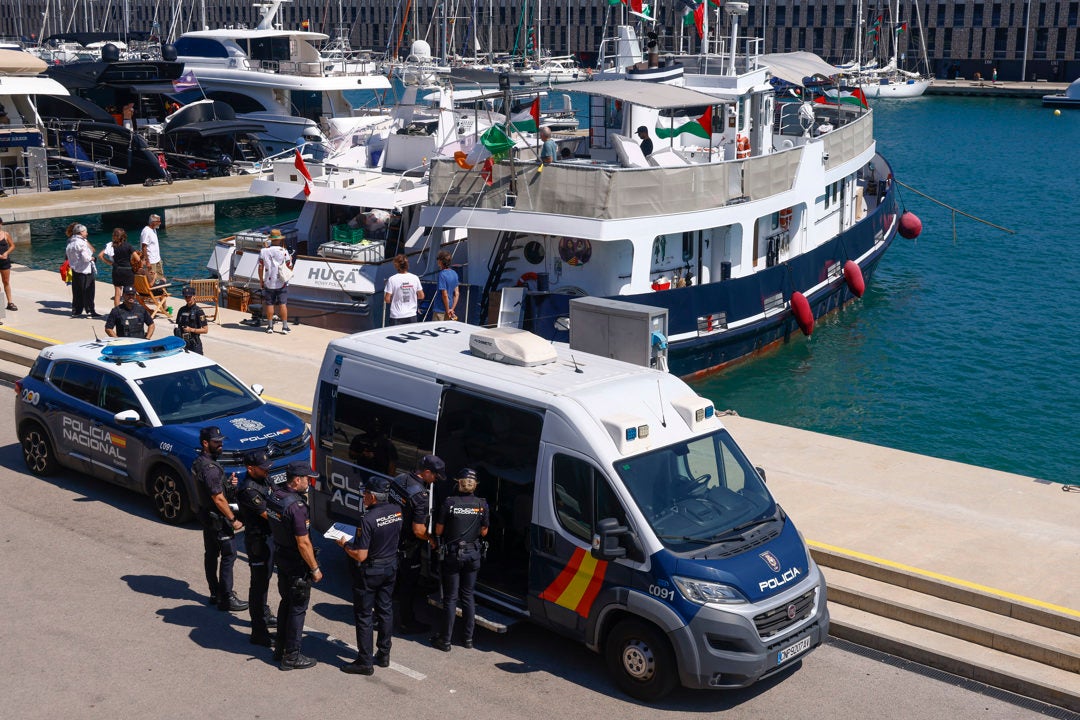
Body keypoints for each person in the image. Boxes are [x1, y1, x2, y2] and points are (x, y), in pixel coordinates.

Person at [337, 474, 404, 674]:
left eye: (365, 493)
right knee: (385, 610)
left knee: (364, 616)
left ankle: (365, 661)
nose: (363, 497)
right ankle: (384, 655)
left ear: (373, 497)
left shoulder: (368, 519)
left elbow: (360, 555)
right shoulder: (397, 510)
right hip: (390, 567)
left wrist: (345, 545)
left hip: (371, 571)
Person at [267, 461, 323, 670]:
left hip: (281, 556)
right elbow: (303, 541)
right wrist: (315, 568)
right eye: (307, 479)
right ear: (297, 480)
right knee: (298, 608)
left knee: (286, 603)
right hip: (296, 563)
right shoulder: (296, 507)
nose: (309, 483)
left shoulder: (275, 497)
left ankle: (280, 648)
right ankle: (291, 656)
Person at [431, 468, 489, 652]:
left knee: (450, 598)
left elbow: (438, 531)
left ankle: (445, 641)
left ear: (458, 483)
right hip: (473, 554)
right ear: (475, 485)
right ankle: (468, 640)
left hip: (453, 555)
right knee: (468, 596)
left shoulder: (449, 503)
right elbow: (484, 532)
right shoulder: (482, 504)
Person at [192, 425, 248, 612]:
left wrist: (228, 484)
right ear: (205, 443)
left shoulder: (200, 462)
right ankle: (226, 597)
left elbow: (214, 491)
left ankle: (215, 593)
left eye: (221, 441)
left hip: (206, 516)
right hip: (217, 519)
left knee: (211, 554)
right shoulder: (210, 468)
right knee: (229, 554)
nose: (220, 445)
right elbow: (217, 498)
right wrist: (233, 519)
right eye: (216, 442)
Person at [388, 454, 444, 633]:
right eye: (435, 476)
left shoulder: (399, 478)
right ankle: (406, 622)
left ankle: (381, 616)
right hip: (407, 546)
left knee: (389, 582)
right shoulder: (420, 496)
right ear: (426, 472)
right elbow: (418, 530)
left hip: (390, 537)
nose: (436, 480)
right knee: (408, 584)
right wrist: (431, 539)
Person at [238, 450, 278, 646]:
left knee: (265, 581)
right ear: (250, 468)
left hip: (269, 538)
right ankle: (258, 632)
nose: (267, 471)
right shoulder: (249, 490)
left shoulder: (265, 479)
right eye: (263, 468)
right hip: (258, 542)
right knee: (259, 585)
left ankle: (263, 614)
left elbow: (276, 495)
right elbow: (268, 514)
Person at [258, 228, 292, 334]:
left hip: (269, 281)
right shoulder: (284, 251)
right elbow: (289, 266)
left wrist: (261, 280)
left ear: (271, 239)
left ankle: (270, 327)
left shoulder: (263, 251)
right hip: (281, 282)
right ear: (279, 239)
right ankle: (285, 327)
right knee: (283, 304)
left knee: (269, 304)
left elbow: (260, 267)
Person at [65, 223, 99, 319]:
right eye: (85, 231)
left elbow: (67, 256)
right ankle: (90, 311)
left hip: (75, 270)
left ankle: (76, 311)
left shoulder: (70, 242)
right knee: (88, 291)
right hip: (85, 270)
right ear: (81, 232)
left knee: (77, 292)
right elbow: (86, 257)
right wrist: (92, 258)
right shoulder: (81, 243)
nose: (87, 233)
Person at [98, 228, 137, 307]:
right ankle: (127, 310)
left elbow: (100, 255)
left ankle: (117, 312)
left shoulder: (111, 245)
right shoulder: (128, 246)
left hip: (116, 270)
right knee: (129, 292)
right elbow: (137, 258)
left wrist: (110, 263)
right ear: (124, 236)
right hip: (127, 271)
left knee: (117, 294)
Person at [383, 253, 423, 326]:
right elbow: (421, 296)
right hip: (411, 315)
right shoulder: (415, 278)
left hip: (396, 315)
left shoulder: (392, 279)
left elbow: (387, 299)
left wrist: (396, 299)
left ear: (396, 266)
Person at [174, 286, 208, 353]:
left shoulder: (199, 311)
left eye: (190, 296)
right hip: (183, 343)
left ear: (194, 296)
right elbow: (177, 325)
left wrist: (191, 330)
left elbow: (205, 330)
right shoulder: (181, 310)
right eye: (186, 297)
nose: (188, 299)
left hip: (194, 344)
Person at [430, 250, 459, 321]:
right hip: (450, 308)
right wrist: (452, 309)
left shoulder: (442, 274)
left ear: (441, 261)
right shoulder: (454, 273)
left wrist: (447, 310)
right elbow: (457, 293)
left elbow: (444, 295)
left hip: (440, 309)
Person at [139, 214, 164, 285]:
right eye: (158, 221)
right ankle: (154, 294)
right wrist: (147, 261)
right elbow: (144, 247)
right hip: (151, 261)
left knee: (160, 279)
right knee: (153, 280)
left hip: (157, 260)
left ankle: (160, 293)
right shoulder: (146, 231)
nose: (160, 223)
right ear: (153, 222)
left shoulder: (154, 229)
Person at [0, 218, 16, 311]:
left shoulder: (6, 234)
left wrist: (6, 253)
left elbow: (12, 245)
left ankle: (10, 302)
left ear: (1, 223)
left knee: (6, 282)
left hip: (5, 261)